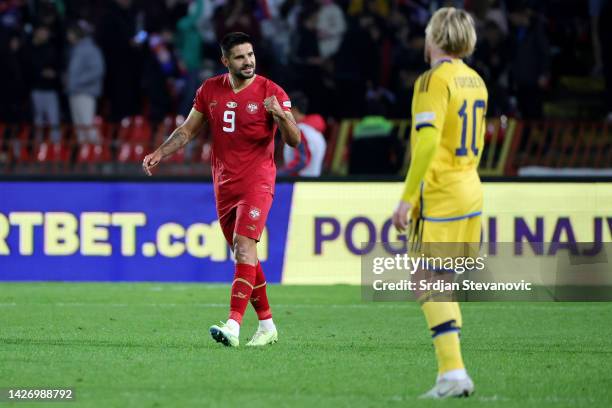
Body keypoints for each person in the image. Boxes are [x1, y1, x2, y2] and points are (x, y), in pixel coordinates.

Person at [142, 32, 300, 347]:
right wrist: (160, 152)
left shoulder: (271, 91)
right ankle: (267, 325)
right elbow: (187, 130)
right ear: (225, 61)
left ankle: (233, 325)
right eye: (240, 57)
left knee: (244, 246)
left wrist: (281, 116)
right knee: (246, 256)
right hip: (225, 184)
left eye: (251, 54)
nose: (249, 61)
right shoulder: (210, 90)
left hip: (258, 181)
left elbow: (294, 139)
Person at [390, 8, 487, 398]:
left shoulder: (433, 80)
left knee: (426, 280)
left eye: (429, 33)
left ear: (436, 38)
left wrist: (407, 197)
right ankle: (453, 372)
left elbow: (428, 141)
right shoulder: (475, 79)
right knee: (440, 283)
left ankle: (452, 373)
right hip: (470, 189)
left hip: (441, 193)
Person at [66, 20, 105, 143]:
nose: (68, 36)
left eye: (70, 33)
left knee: (88, 125)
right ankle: (86, 158)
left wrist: (77, 82)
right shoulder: (75, 49)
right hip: (74, 92)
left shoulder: (90, 48)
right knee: (80, 128)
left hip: (86, 92)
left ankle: (99, 156)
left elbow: (98, 70)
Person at [278, 92, 327, 177]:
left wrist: (278, 174)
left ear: (293, 110)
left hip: (298, 183)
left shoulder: (299, 130)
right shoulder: (316, 132)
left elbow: (301, 161)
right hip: (312, 183)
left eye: (284, 109)